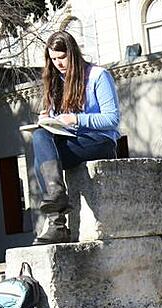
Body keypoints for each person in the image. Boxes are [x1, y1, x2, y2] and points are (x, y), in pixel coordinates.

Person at [30, 30, 121, 245]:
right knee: (40, 136)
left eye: (62, 57)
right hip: (71, 139)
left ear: (72, 53)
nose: (58, 63)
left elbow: (112, 119)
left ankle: (57, 223)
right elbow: (59, 121)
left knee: (40, 162)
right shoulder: (57, 82)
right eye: (53, 59)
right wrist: (49, 119)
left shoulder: (98, 75)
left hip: (100, 141)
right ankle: (57, 203)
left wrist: (76, 119)